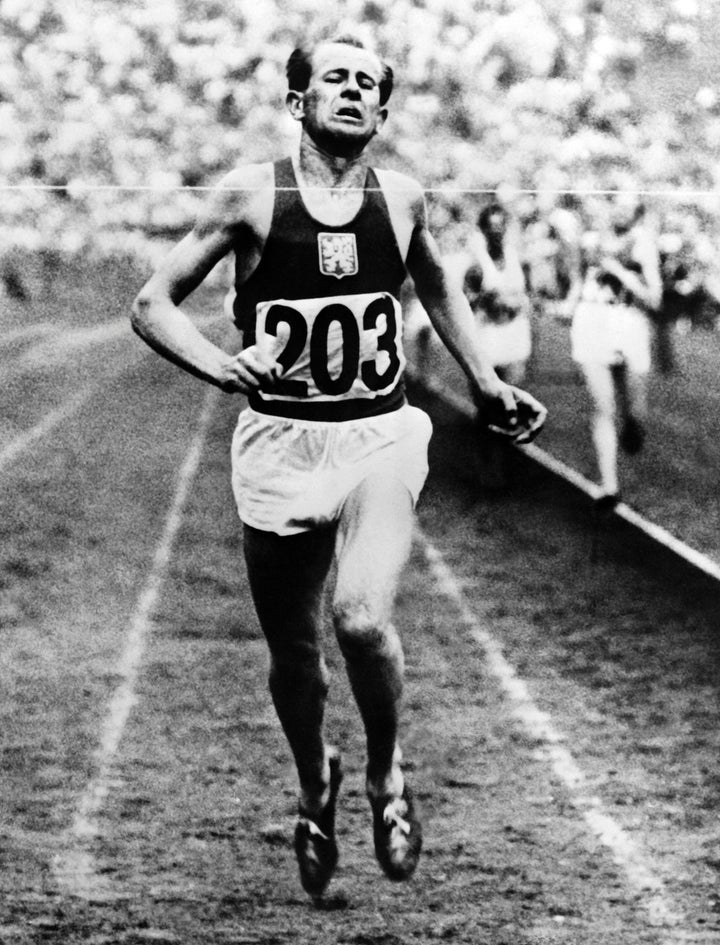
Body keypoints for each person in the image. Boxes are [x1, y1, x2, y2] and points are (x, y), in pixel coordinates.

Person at [130, 33, 546, 899]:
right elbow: (150, 305)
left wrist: (485, 378)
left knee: (359, 619)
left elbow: (437, 286)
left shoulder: (401, 197)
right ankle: (315, 783)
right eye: (336, 79)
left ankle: (387, 776)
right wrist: (223, 365)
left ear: (384, 111)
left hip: (377, 435)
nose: (353, 92)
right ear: (299, 104)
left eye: (369, 83)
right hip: (281, 443)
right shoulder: (251, 193)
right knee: (295, 656)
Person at [568, 194, 662, 511]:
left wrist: (620, 273)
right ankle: (609, 485)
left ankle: (634, 425)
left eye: (627, 207)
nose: (619, 212)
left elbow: (654, 298)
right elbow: (577, 282)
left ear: (636, 214)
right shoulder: (590, 240)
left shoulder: (642, 245)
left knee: (634, 411)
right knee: (602, 406)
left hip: (629, 323)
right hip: (593, 320)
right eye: (615, 205)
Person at [462, 201, 533, 489]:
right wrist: (485, 300)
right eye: (490, 227)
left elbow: (530, 297)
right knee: (488, 405)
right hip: (486, 337)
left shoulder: (518, 259)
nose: (496, 233)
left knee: (513, 402)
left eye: (500, 226)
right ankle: (488, 466)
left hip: (513, 335)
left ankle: (506, 460)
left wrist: (517, 304)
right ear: (483, 230)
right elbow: (465, 302)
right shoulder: (476, 265)